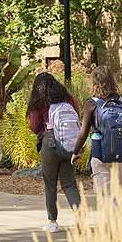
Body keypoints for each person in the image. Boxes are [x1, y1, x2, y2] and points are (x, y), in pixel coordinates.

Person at [71, 66, 122, 194]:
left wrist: (76, 152)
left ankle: (108, 213)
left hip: (100, 153)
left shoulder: (91, 104)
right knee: (121, 194)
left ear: (94, 83)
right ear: (113, 81)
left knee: (104, 195)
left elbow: (83, 133)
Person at [27, 72, 81, 233]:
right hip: (68, 143)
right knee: (69, 183)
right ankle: (80, 217)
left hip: (49, 143)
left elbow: (34, 126)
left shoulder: (40, 100)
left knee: (50, 183)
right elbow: (76, 115)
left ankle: (52, 221)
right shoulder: (67, 97)